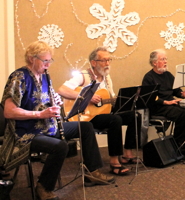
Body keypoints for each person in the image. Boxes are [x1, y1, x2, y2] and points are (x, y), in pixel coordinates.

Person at [0, 41, 114, 200]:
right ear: (32, 59)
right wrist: (39, 115)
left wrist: (56, 103)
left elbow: (49, 100)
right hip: (27, 133)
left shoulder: (45, 77)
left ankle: (92, 172)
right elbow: (9, 111)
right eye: (45, 61)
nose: (48, 65)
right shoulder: (19, 77)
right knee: (60, 146)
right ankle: (43, 187)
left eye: (49, 61)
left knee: (86, 127)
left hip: (48, 127)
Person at [58, 46, 141, 176]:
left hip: (102, 113)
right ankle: (114, 162)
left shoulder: (107, 79)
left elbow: (110, 100)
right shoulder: (83, 76)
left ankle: (127, 154)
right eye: (104, 60)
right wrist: (86, 97)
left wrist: (126, 99)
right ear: (93, 62)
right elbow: (62, 90)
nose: (107, 64)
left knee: (133, 115)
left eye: (109, 60)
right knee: (115, 120)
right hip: (86, 116)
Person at [141, 49, 185, 148]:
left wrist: (183, 94)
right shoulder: (149, 77)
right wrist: (165, 102)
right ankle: (178, 143)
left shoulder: (168, 75)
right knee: (183, 114)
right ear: (154, 63)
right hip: (158, 106)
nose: (165, 62)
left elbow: (176, 91)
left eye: (166, 59)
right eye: (162, 59)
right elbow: (149, 97)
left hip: (171, 104)